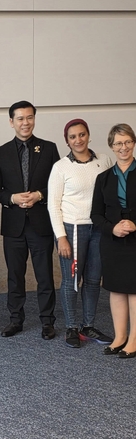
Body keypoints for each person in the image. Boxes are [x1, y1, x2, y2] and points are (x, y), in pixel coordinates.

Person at [0, 100, 60, 339]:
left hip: (40, 223)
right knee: (15, 276)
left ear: (34, 119)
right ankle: (15, 320)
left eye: (29, 117)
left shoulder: (49, 149)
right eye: (20, 118)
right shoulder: (1, 152)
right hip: (14, 225)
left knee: (45, 275)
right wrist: (12, 198)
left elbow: (58, 185)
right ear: (11, 122)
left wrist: (39, 195)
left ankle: (47, 321)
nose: (25, 123)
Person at [48, 119, 113, 348]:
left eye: (82, 134)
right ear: (67, 141)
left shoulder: (104, 160)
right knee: (72, 280)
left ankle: (88, 326)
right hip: (73, 229)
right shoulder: (60, 167)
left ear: (88, 135)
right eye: (73, 136)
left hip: (99, 228)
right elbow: (53, 205)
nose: (78, 140)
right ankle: (71, 327)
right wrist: (61, 237)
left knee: (94, 280)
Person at [91, 123, 136, 358]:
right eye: (118, 143)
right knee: (116, 289)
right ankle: (120, 337)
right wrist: (113, 228)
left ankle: (134, 340)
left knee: (134, 290)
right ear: (111, 146)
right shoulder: (103, 178)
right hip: (112, 241)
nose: (123, 147)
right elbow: (96, 214)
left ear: (134, 143)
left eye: (127, 141)